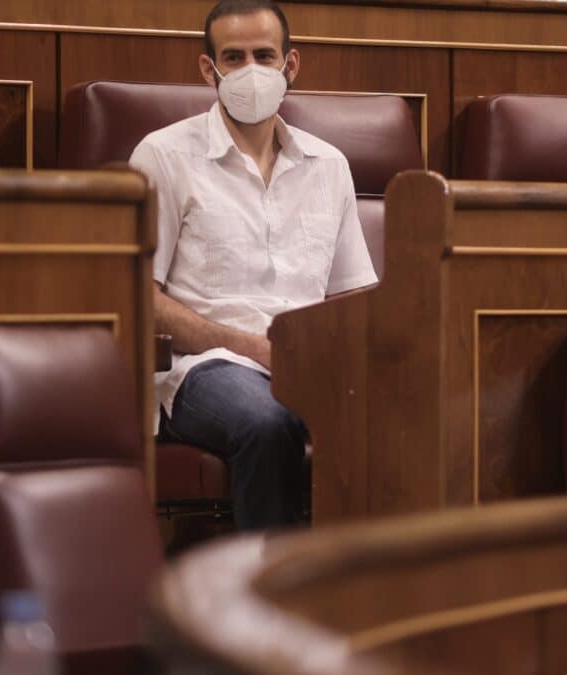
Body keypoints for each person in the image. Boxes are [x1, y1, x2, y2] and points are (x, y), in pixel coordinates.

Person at [129, 0, 377, 529]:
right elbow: (139, 301)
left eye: (264, 56)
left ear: (291, 65)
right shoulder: (164, 156)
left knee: (412, 416)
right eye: (234, 57)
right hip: (204, 369)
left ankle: (375, 594)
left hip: (313, 367)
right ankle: (265, 602)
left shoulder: (329, 165)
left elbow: (354, 298)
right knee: (268, 422)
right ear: (208, 69)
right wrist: (258, 348)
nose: (250, 72)